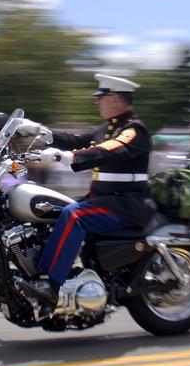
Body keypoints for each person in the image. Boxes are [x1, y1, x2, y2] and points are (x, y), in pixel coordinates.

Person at [17, 74, 154, 302]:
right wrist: (37, 130)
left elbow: (109, 150)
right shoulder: (106, 128)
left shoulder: (134, 131)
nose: (96, 101)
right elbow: (74, 139)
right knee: (51, 210)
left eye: (101, 97)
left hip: (126, 205)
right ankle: (52, 271)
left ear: (116, 99)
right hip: (105, 201)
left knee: (74, 216)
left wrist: (67, 157)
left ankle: (51, 285)